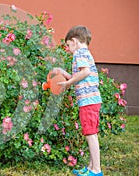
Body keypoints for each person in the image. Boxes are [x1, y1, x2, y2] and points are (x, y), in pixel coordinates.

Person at [52, 26, 103, 176]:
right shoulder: (85, 53)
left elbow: (85, 72)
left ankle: (96, 170)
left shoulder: (79, 53)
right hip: (91, 100)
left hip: (88, 101)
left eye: (68, 45)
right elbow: (80, 75)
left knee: (90, 134)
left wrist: (68, 83)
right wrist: (64, 73)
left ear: (74, 41)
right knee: (90, 133)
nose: (68, 49)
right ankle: (91, 167)